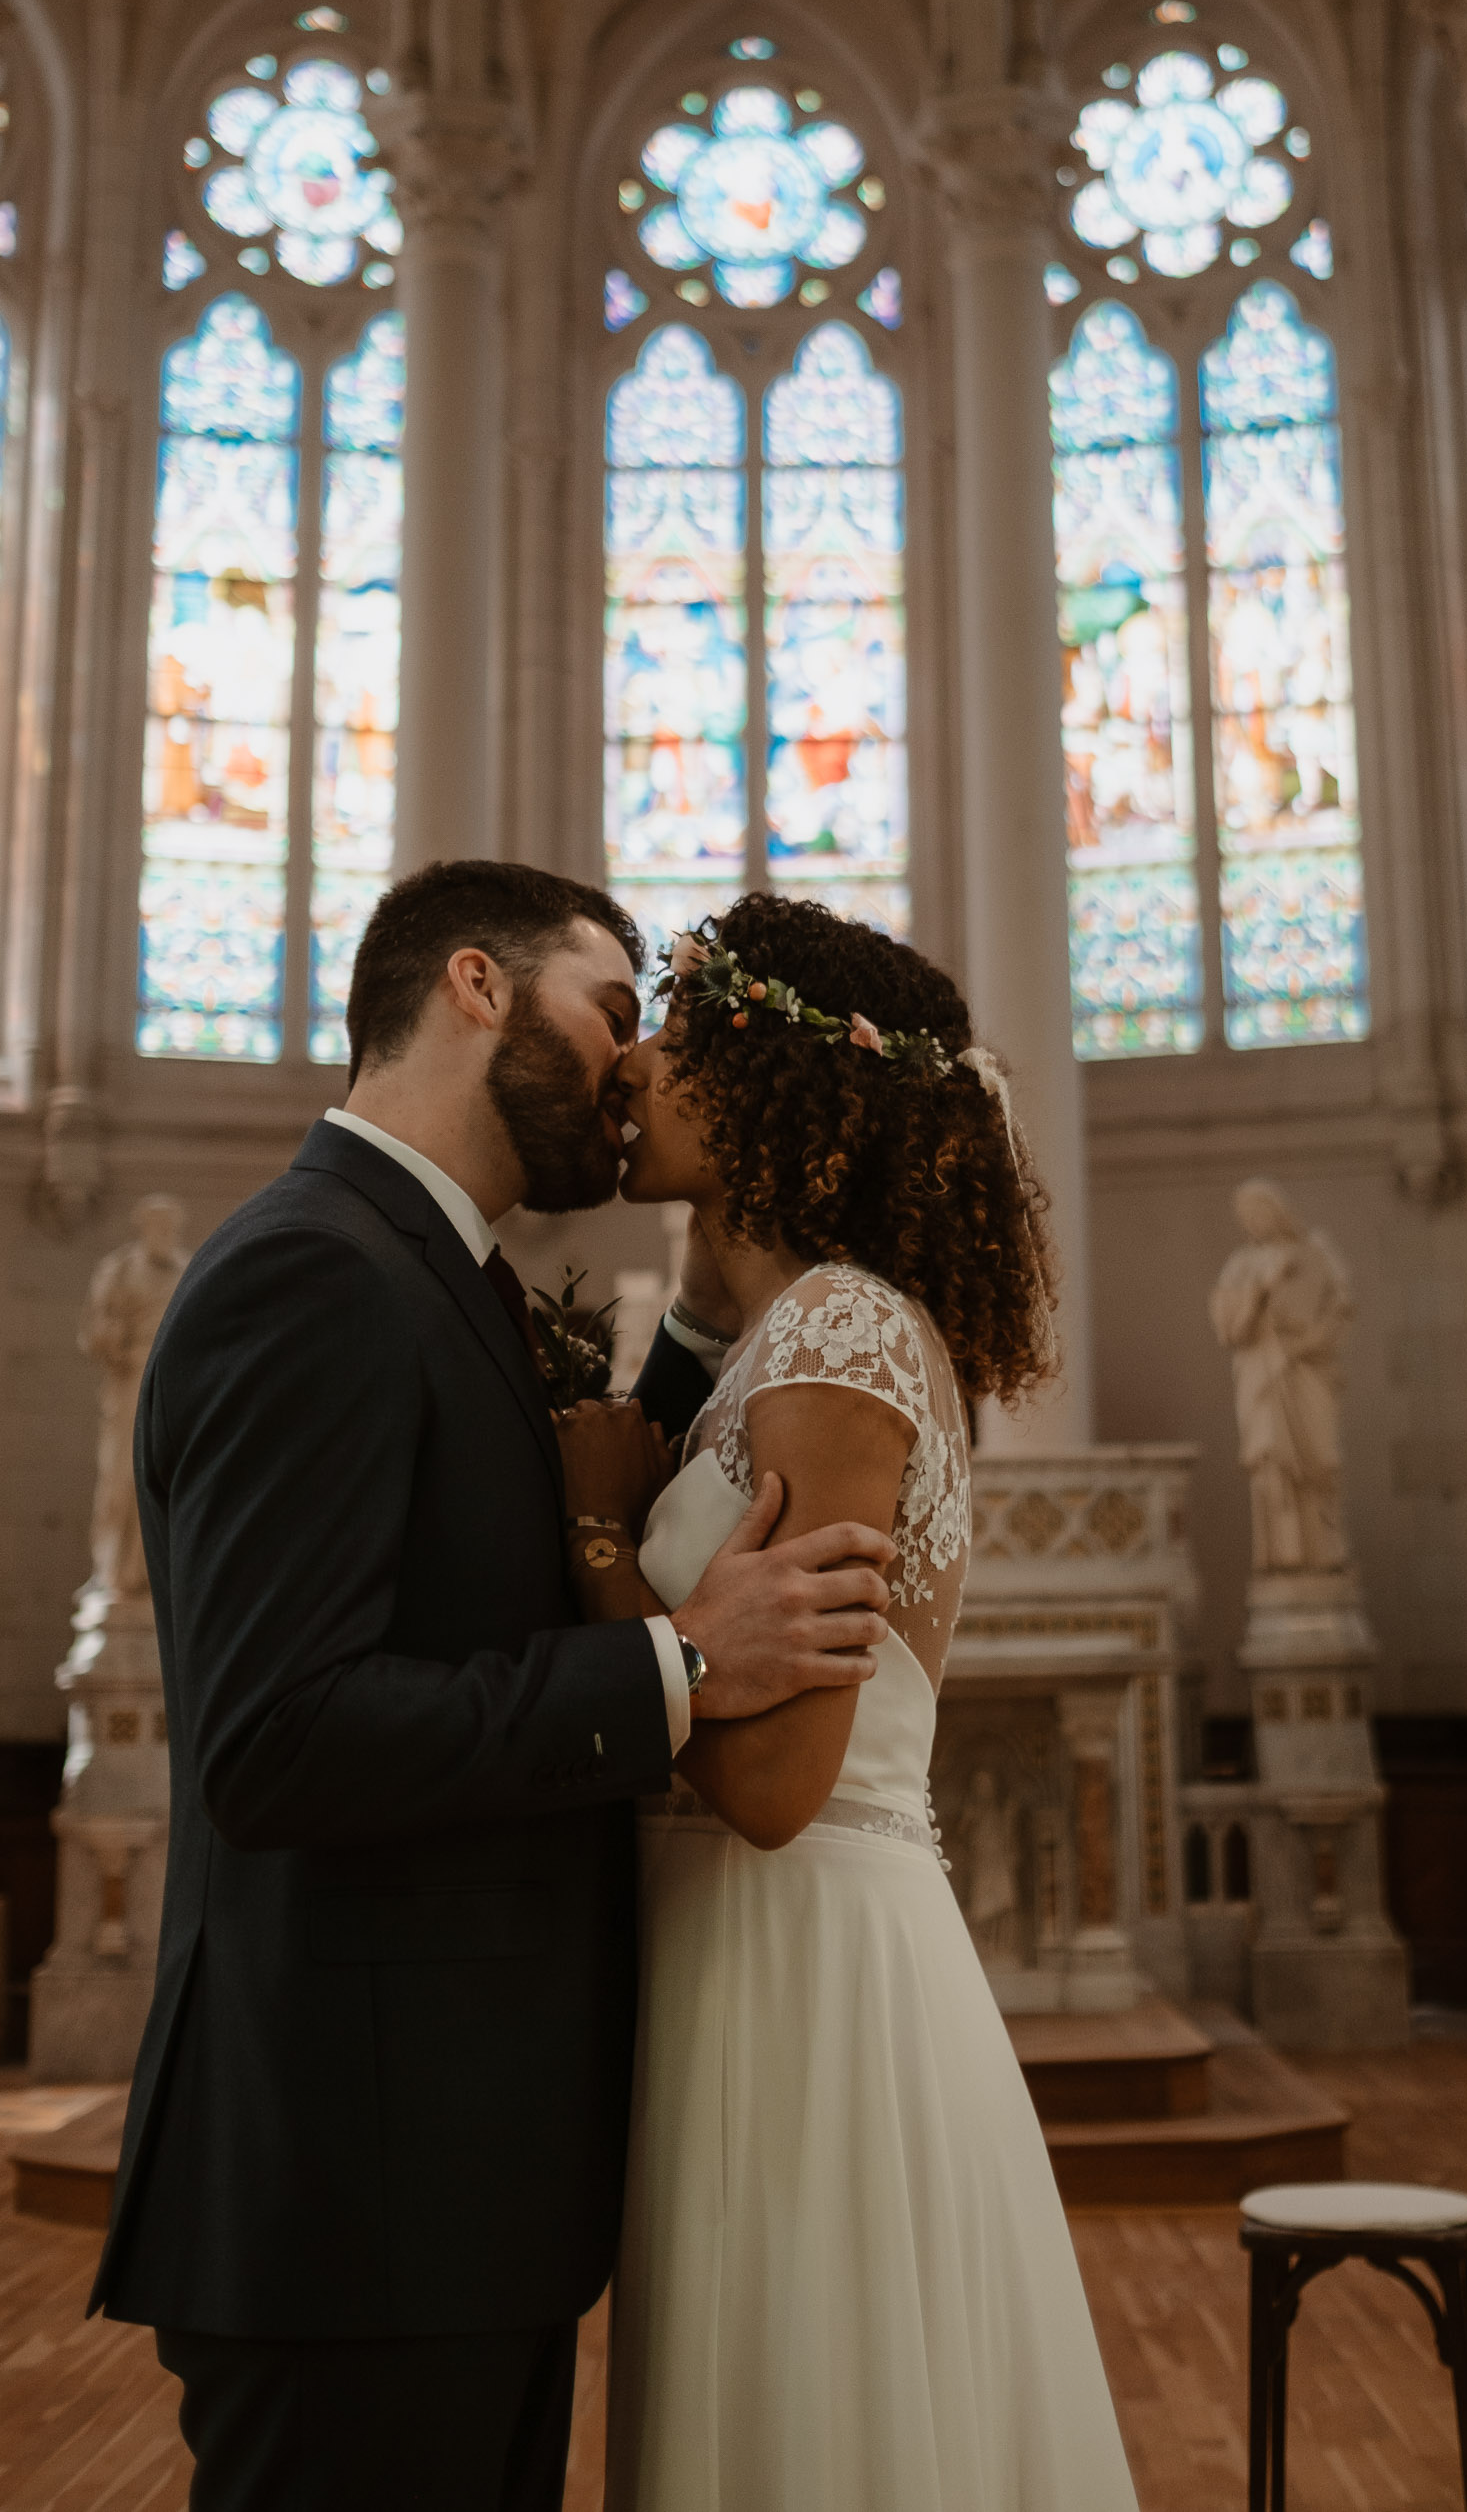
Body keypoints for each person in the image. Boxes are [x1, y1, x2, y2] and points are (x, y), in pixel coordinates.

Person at [92, 858, 895, 2512]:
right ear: (475, 984)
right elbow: (281, 1737)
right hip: (354, 2203)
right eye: (613, 1007)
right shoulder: (309, 1270)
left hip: (448, 2190)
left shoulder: (434, 1271)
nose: (630, 1066)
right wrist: (682, 1666)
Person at [558, 893, 1140, 2512]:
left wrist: (604, 1530)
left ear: (766, 1079)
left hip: (795, 1953)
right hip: (746, 1944)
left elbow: (770, 1781)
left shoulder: (847, 1329)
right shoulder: (776, 1328)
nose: (638, 1057)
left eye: (678, 1027)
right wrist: (682, 1308)